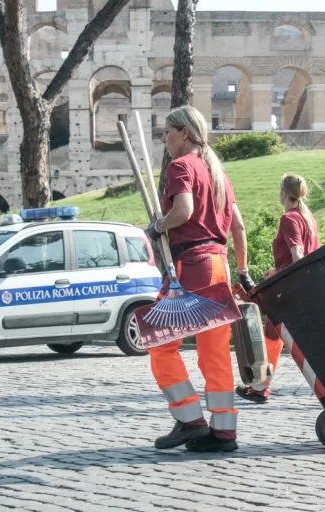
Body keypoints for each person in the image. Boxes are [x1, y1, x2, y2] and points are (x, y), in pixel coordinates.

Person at [145, 105, 253, 453]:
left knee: (160, 344)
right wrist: (242, 269)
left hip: (193, 264)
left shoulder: (182, 166)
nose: (165, 139)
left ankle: (190, 419)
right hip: (218, 264)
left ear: (185, 133)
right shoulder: (217, 172)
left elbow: (184, 211)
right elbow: (238, 226)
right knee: (214, 352)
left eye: (167, 132)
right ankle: (223, 432)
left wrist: (158, 225)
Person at [236, 173, 320, 404]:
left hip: (287, 290)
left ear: (284, 193)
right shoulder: (308, 218)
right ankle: (261, 385)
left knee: (272, 337)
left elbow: (298, 256)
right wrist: (276, 271)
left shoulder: (290, 219)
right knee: (276, 336)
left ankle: (261, 387)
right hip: (303, 287)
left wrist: (281, 274)